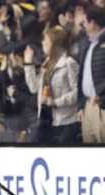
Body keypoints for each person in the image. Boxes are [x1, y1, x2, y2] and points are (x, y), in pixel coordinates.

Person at [24, 26, 80, 144]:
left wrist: (55, 102)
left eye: (46, 40)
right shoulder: (46, 64)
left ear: (55, 44)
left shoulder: (69, 63)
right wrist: (28, 64)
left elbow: (77, 92)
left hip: (65, 122)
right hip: (45, 119)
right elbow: (33, 88)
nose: (42, 42)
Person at [77, 5, 105, 143]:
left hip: (102, 107)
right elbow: (81, 76)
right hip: (87, 106)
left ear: (93, 23)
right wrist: (81, 105)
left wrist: (101, 95)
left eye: (85, 23)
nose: (84, 26)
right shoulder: (86, 43)